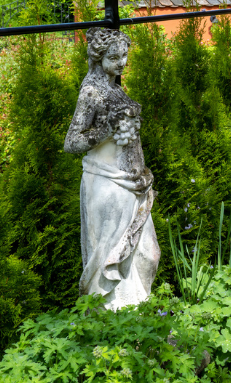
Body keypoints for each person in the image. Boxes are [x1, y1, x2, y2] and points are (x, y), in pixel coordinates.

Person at [64, 28, 160, 309]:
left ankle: (136, 315)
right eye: (114, 57)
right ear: (98, 57)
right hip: (108, 186)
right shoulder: (91, 92)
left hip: (132, 183)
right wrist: (106, 130)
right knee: (112, 258)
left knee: (148, 254)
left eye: (125, 55)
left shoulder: (114, 87)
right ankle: (115, 321)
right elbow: (72, 142)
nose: (121, 62)